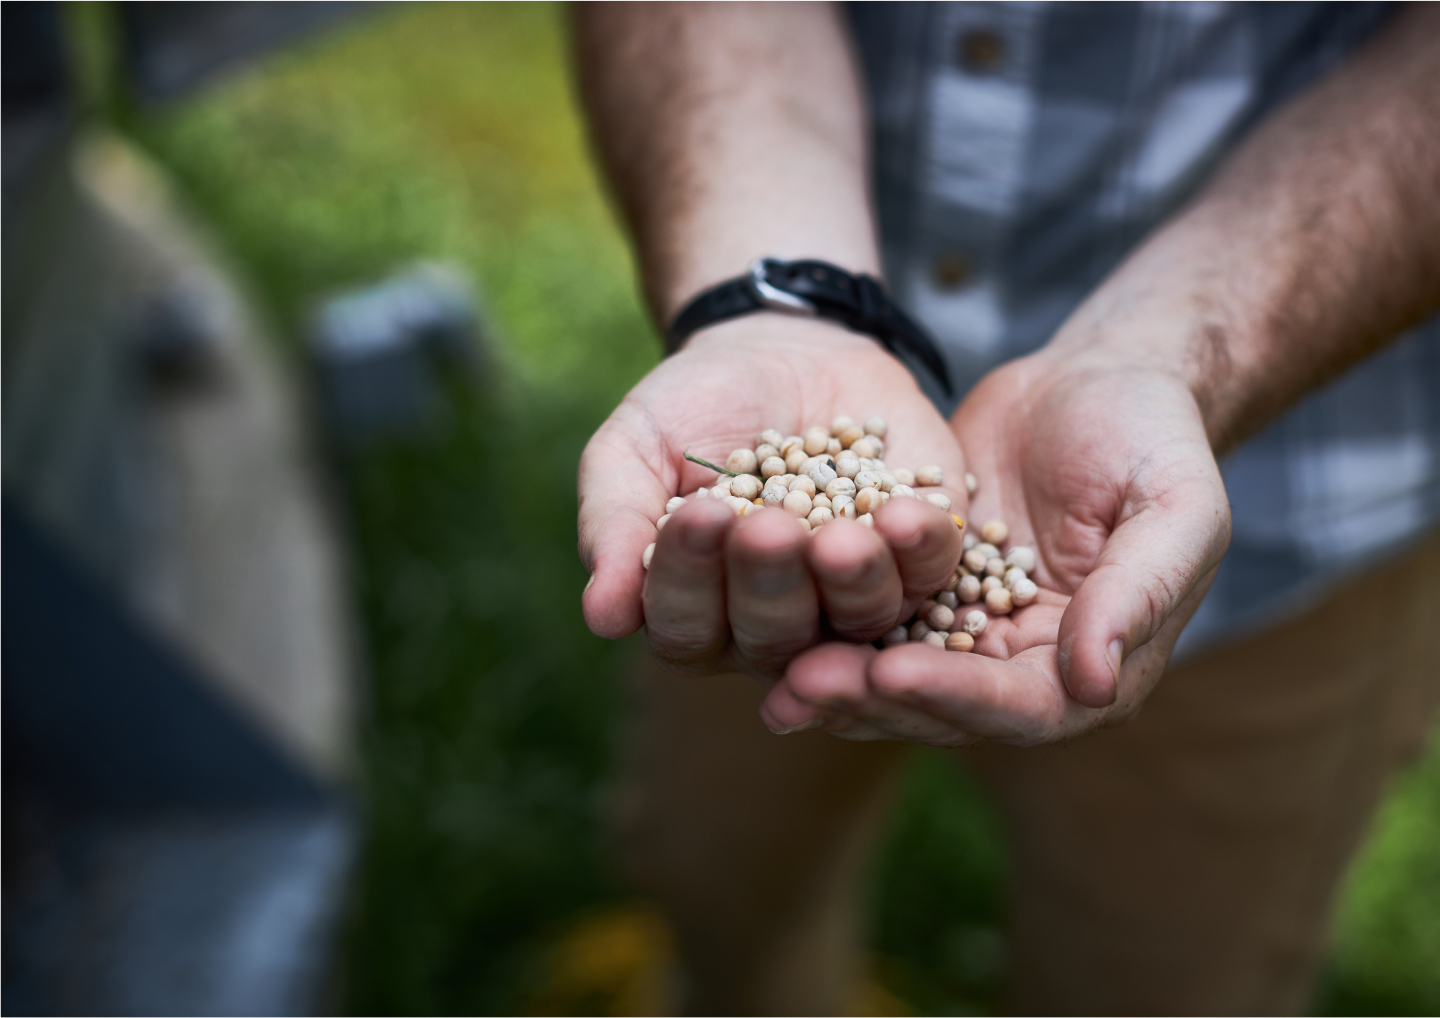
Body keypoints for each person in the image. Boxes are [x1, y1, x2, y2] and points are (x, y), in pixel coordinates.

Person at [573, 3, 1440, 1013]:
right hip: (777, 535)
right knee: (709, 872)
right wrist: (773, 306)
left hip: (1295, 496)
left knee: (1163, 979)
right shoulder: (758, 511)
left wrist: (1165, 356)